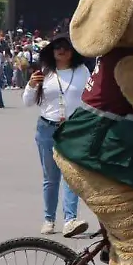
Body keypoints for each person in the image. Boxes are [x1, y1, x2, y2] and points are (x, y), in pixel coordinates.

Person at [23, 34, 90, 237]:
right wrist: (31, 86)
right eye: (57, 47)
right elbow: (27, 102)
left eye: (66, 47)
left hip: (73, 128)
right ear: (51, 52)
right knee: (51, 178)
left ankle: (70, 220)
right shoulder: (45, 72)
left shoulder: (82, 71)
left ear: (73, 51)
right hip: (47, 128)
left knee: (71, 175)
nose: (62, 50)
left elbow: (92, 97)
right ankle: (49, 219)